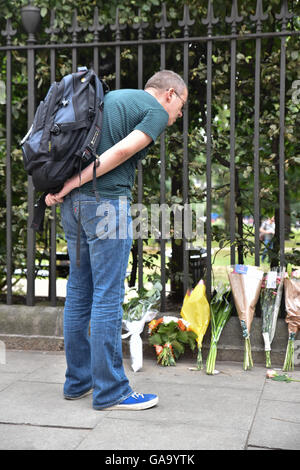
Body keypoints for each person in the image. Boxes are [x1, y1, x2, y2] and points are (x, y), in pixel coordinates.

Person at [45, 70, 188, 410]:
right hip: (105, 205)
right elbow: (121, 153)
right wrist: (69, 184)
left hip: (75, 208)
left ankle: (78, 382)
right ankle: (111, 391)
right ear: (169, 94)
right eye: (180, 106)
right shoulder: (153, 109)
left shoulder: (113, 99)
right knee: (109, 295)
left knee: (79, 291)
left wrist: (68, 189)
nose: (179, 115)